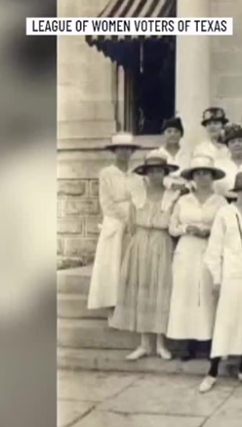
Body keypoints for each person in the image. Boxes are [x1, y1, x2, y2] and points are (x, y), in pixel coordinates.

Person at [199, 171, 242, 392]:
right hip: (231, 276)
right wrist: (217, 279)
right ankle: (212, 372)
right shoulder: (225, 213)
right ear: (236, 192)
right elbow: (214, 250)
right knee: (226, 323)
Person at [109, 149, 178, 360]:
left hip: (162, 243)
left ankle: (160, 344)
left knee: (160, 291)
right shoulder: (137, 196)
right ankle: (144, 343)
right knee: (142, 290)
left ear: (165, 172)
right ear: (145, 173)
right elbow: (130, 224)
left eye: (159, 171)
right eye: (151, 171)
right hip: (140, 245)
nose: (155, 175)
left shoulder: (173, 196)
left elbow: (174, 224)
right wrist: (138, 242)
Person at [166, 156, 228, 361]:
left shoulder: (220, 201)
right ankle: (186, 343)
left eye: (206, 173)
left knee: (206, 294)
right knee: (186, 294)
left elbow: (227, 228)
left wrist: (210, 231)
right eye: (198, 173)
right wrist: (187, 228)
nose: (202, 177)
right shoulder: (183, 201)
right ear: (192, 177)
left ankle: (208, 342)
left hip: (209, 250)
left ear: (212, 177)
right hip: (186, 250)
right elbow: (172, 228)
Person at [87, 133, 143, 310]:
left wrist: (134, 219)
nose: (124, 152)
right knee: (112, 262)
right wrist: (124, 218)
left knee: (130, 262)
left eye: (128, 149)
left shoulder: (137, 176)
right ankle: (111, 304)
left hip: (134, 220)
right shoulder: (106, 174)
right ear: (114, 151)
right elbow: (106, 201)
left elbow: (141, 198)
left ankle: (128, 304)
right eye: (121, 149)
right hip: (115, 221)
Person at [159, 116, 191, 200]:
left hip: (187, 194)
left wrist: (187, 188)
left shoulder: (188, 154)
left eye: (176, 131)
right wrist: (172, 184)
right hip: (165, 193)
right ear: (163, 133)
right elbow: (155, 176)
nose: (172, 134)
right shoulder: (158, 154)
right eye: (169, 131)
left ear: (181, 134)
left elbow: (194, 174)